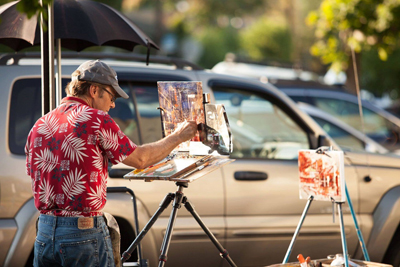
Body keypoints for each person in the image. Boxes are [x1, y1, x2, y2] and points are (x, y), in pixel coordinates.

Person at [25, 60, 197, 267]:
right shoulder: (96, 118)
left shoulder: (40, 124)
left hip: (44, 232)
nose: (113, 104)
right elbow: (140, 159)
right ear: (94, 90)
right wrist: (178, 136)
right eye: (112, 96)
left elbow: (34, 172)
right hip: (82, 234)